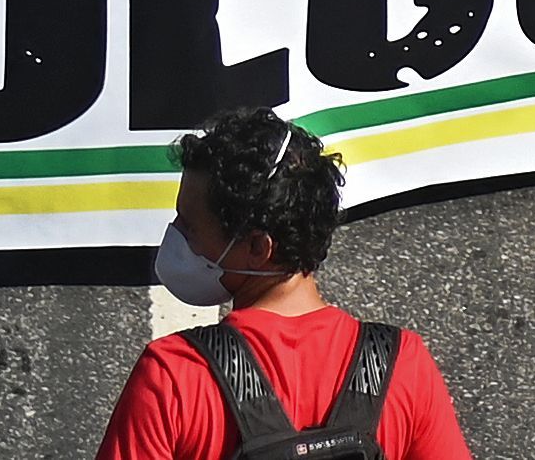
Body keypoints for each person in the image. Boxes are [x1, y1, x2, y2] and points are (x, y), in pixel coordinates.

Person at [88, 108, 475, 460]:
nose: (175, 236)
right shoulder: (402, 364)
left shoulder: (174, 375)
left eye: (189, 226)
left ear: (258, 247)